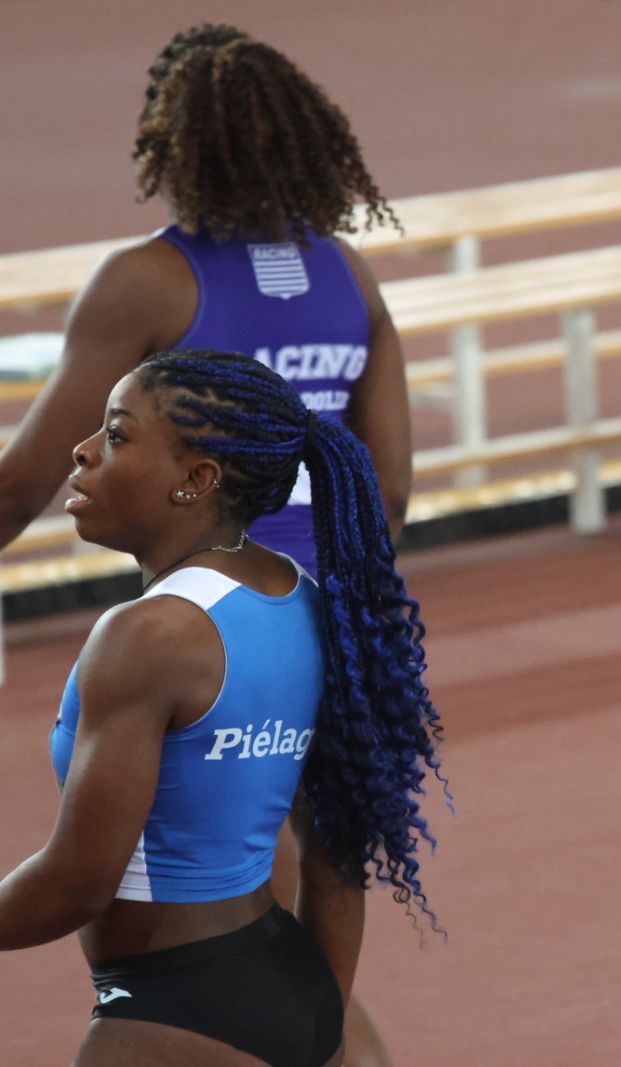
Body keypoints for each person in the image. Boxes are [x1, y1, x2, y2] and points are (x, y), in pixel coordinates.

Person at [0, 26, 412, 1060]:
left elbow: (20, 478)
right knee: (268, 900)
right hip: (317, 621)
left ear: (174, 145)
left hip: (202, 629)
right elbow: (388, 485)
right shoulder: (348, 276)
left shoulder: (147, 280)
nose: (106, 448)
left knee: (197, 899)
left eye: (121, 432)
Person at [0, 349, 444, 1066]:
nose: (81, 453)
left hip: (170, 1011)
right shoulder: (297, 595)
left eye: (116, 435)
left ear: (197, 479)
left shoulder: (147, 635)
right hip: (285, 984)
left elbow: (78, 881)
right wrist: (316, 1022)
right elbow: (336, 855)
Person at [0, 22, 411, 568]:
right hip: (342, 609)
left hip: (206, 609)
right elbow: (391, 496)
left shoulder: (146, 280)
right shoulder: (349, 271)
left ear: (163, 140)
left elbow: (19, 492)